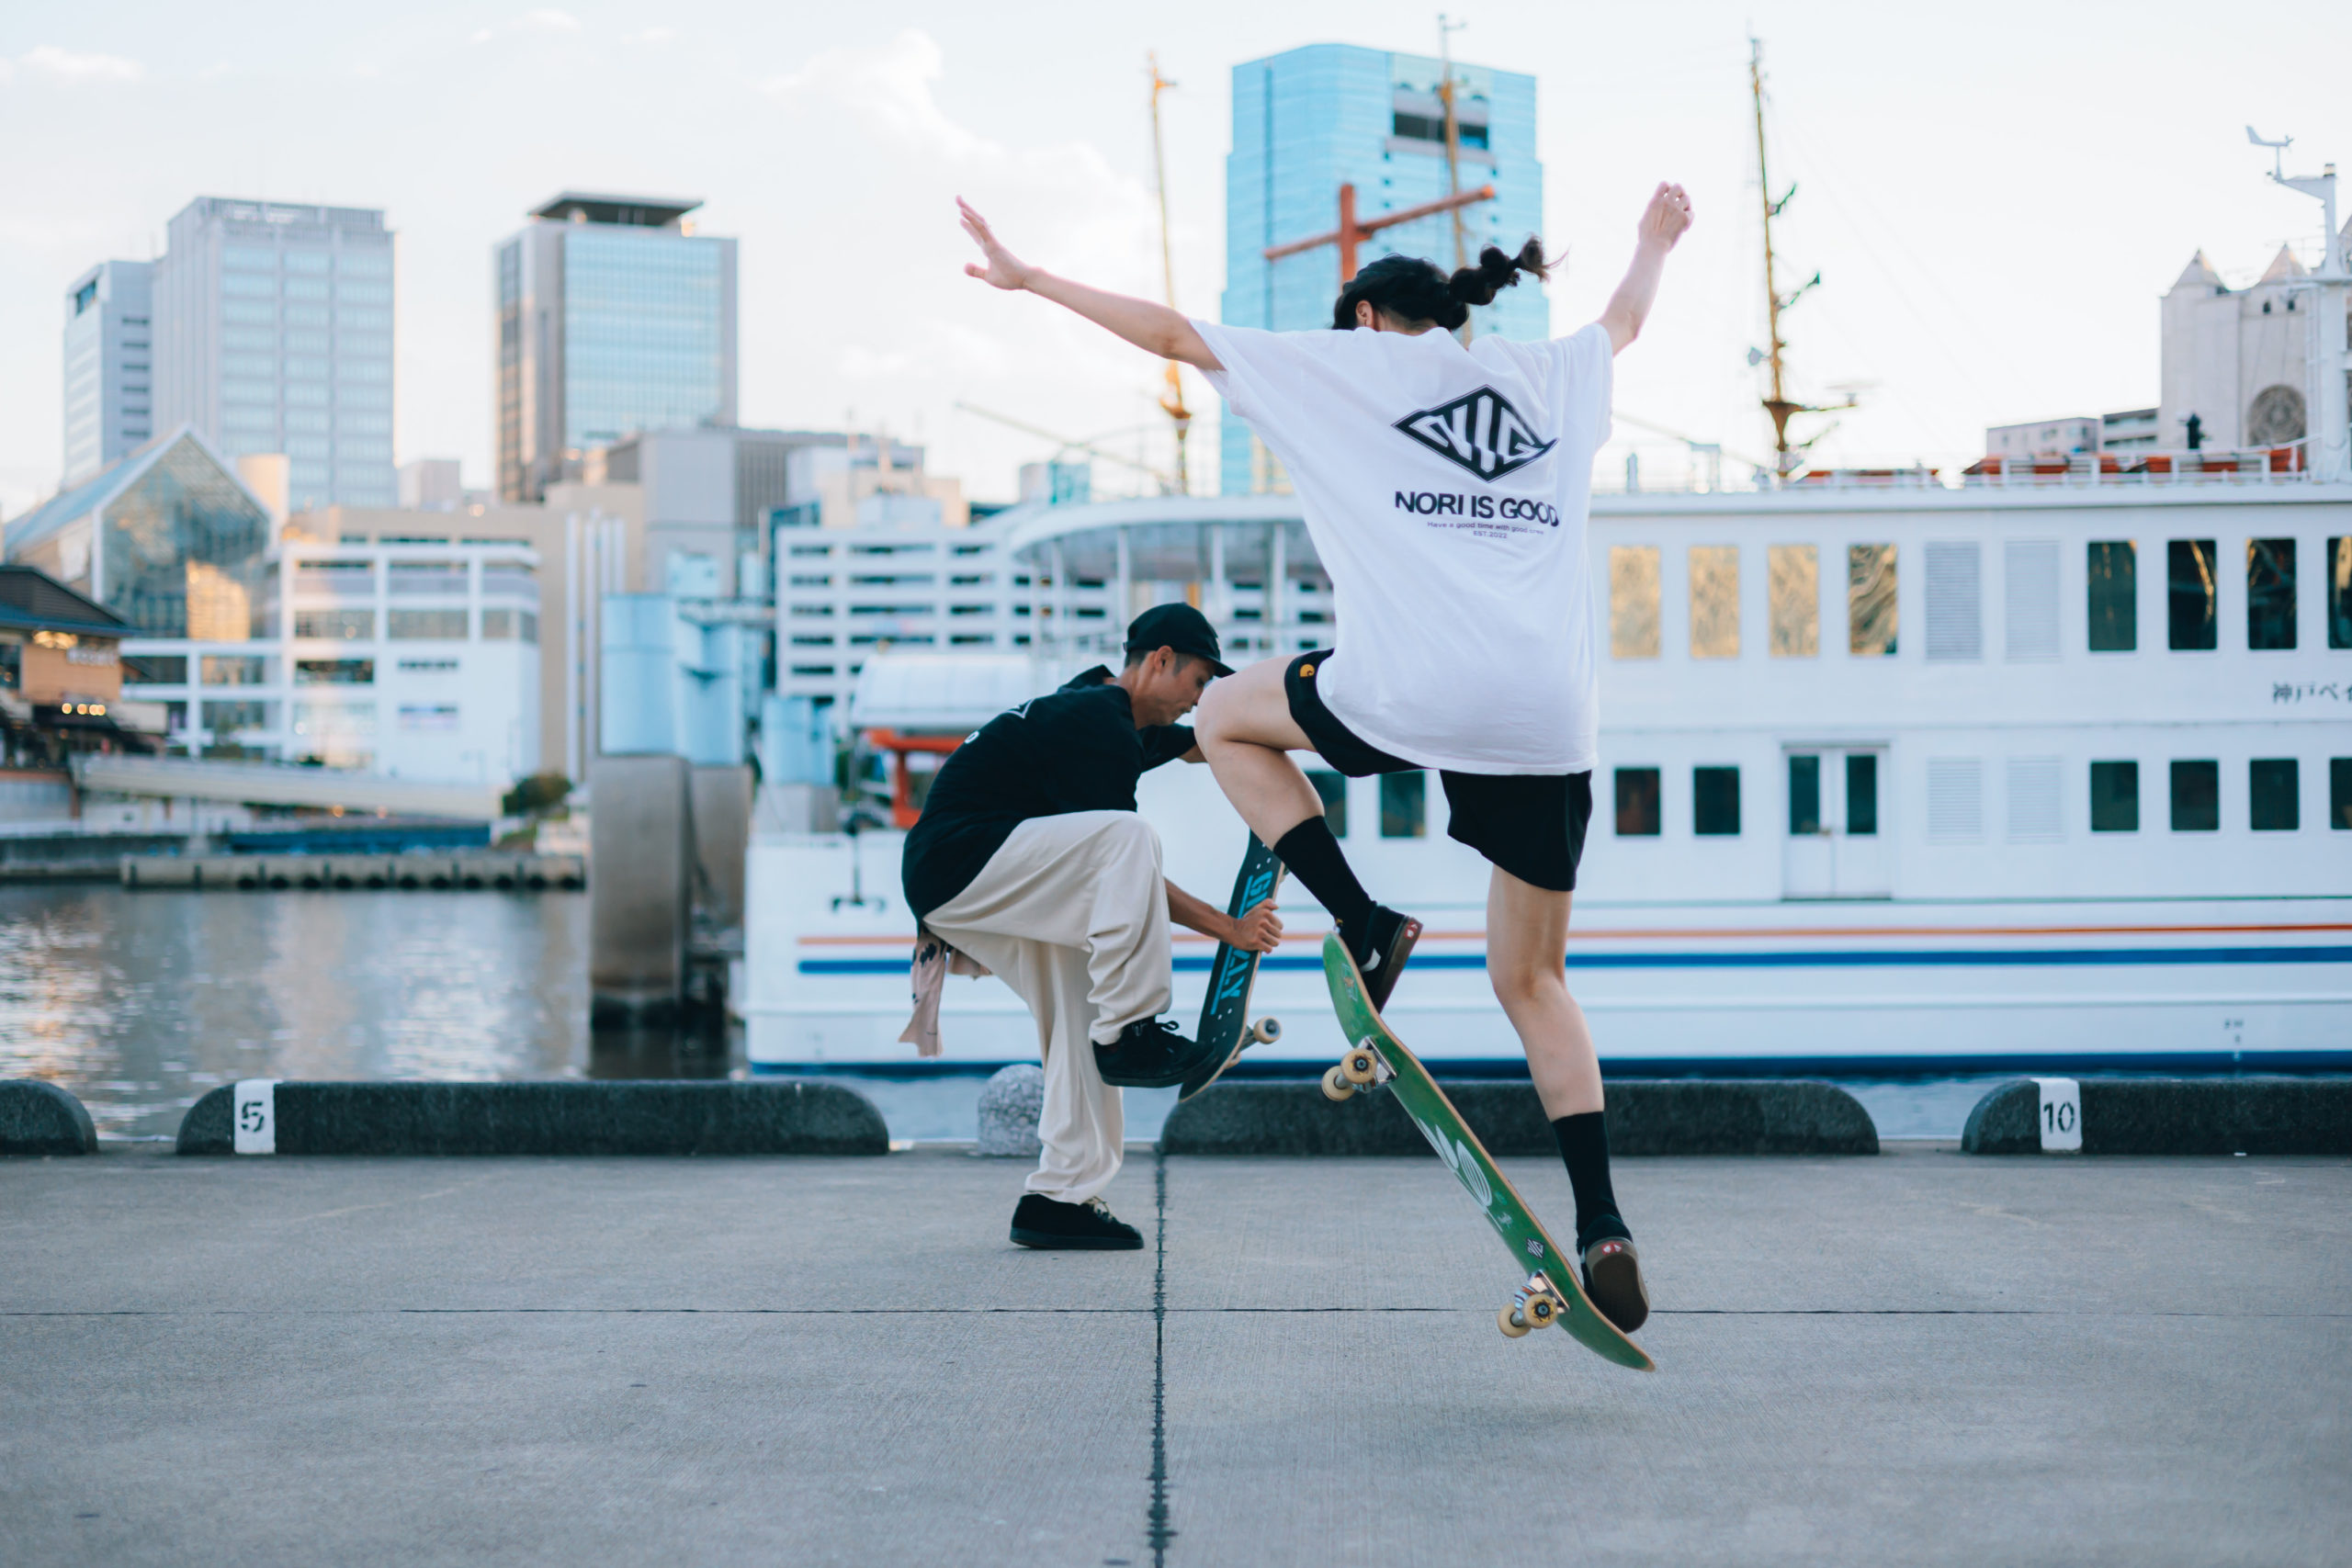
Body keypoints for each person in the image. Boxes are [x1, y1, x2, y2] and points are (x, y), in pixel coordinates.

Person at [956, 183, 1693, 1328]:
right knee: (1533, 981)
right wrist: (1653, 242)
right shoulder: (1552, 374)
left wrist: (1031, 277)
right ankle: (1602, 1220)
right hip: (1547, 715)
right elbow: (1626, 319)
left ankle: (1362, 917)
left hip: (1408, 687)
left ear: (1361, 318)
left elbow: (1169, 333)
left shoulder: (1343, 366)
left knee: (1219, 717)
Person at [900, 603, 1283, 1251]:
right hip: (961, 862)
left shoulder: (1106, 708)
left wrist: (1307, 734)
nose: (1199, 700)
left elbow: (1206, 743)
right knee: (1130, 838)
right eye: (1198, 682)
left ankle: (1059, 1198)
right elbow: (1122, 865)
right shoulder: (1098, 722)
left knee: (1080, 1012)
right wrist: (1229, 928)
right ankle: (1131, 1029)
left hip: (966, 878)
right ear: (1161, 660)